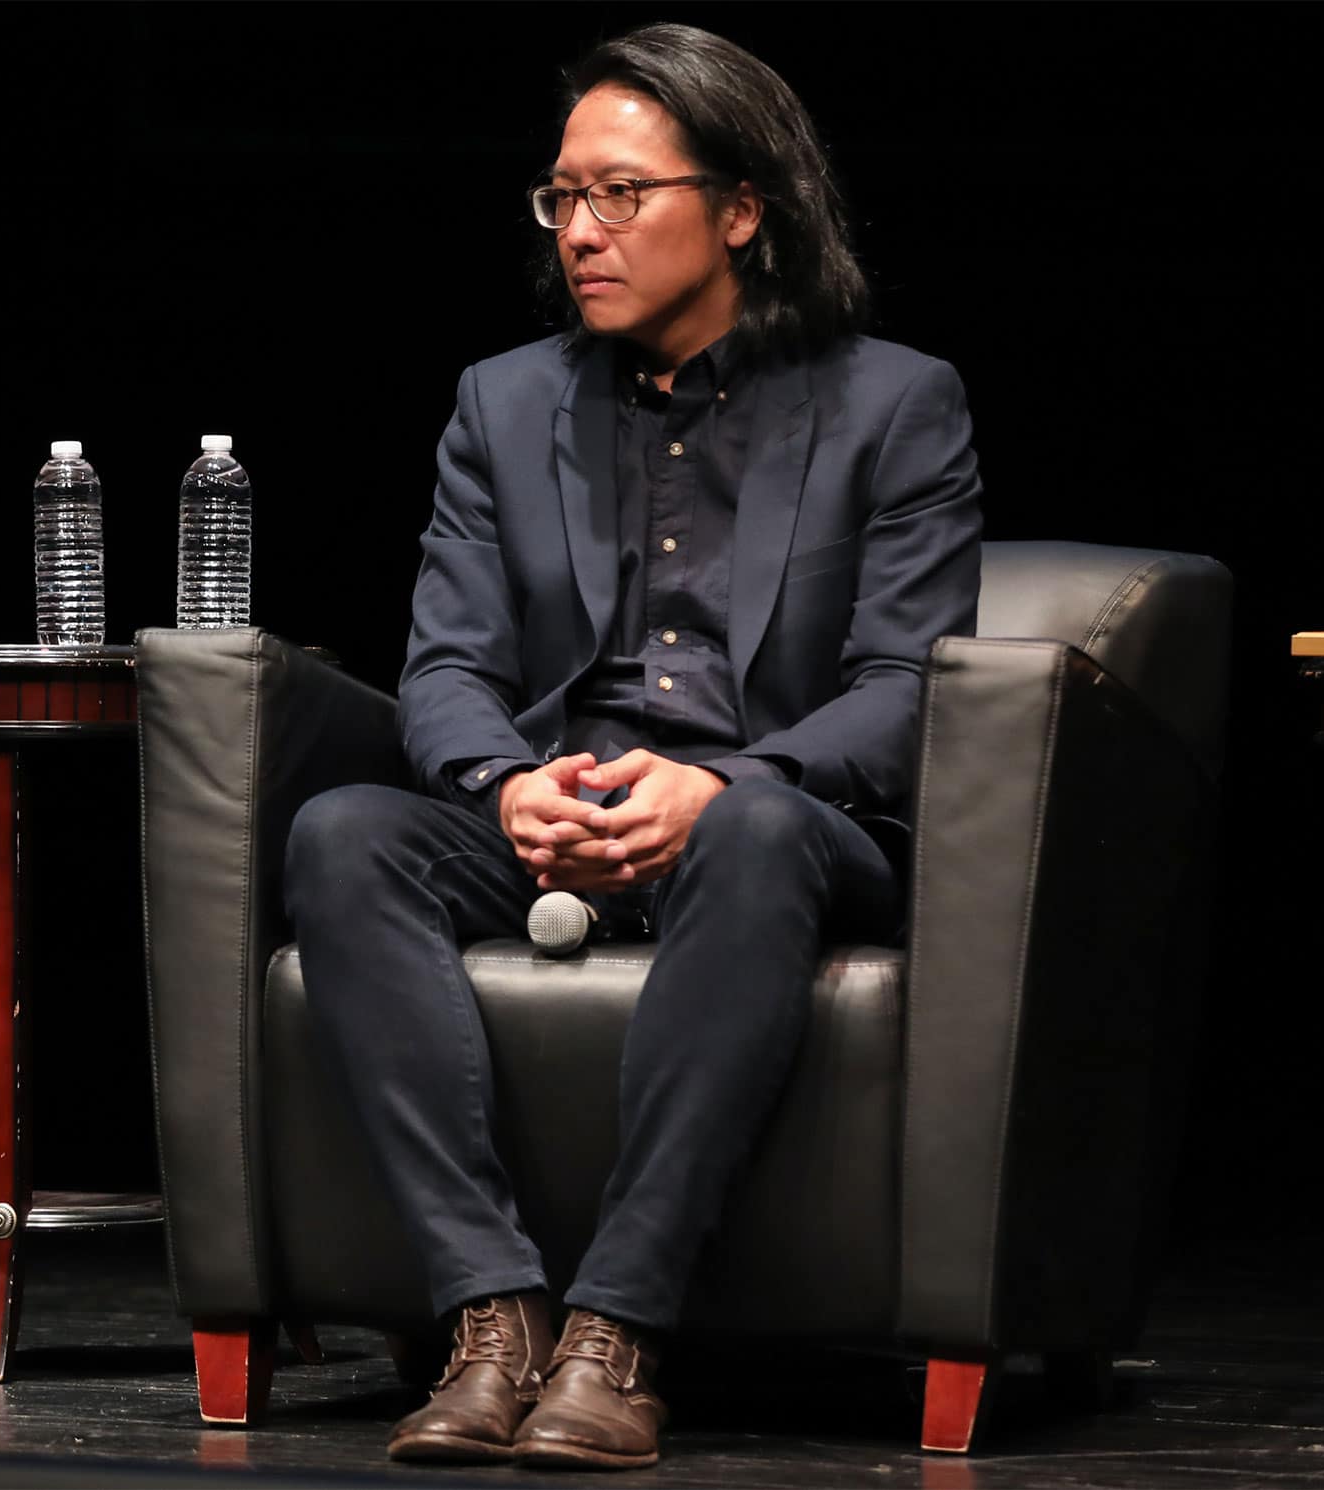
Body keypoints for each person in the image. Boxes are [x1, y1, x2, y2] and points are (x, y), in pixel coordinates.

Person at [284, 23, 983, 1471]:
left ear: (742, 209)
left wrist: (728, 777)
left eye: (620, 195)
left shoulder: (895, 403)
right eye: (561, 198)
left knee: (753, 828)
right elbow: (450, 664)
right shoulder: (504, 401)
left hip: (770, 821)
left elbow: (909, 684)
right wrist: (503, 784)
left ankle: (618, 1330)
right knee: (345, 833)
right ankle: (491, 1316)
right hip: (561, 807)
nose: (580, 233)